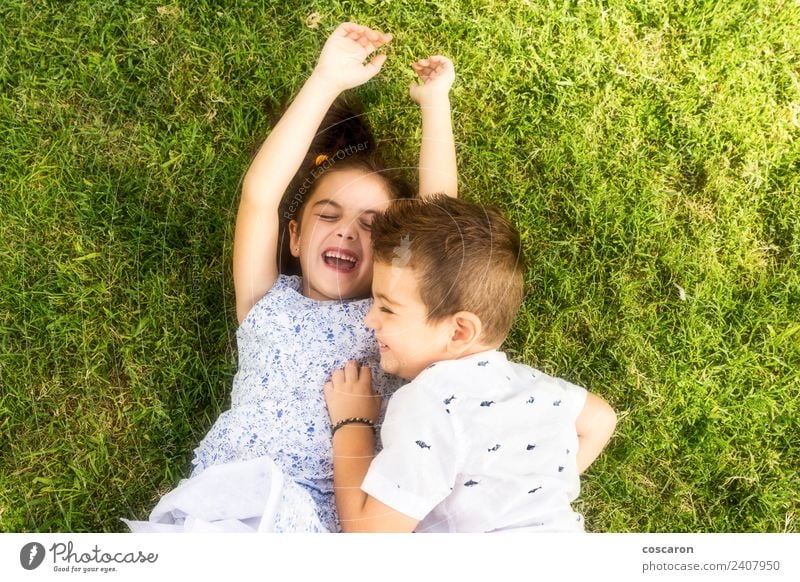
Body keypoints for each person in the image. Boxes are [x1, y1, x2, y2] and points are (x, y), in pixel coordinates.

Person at [124, 23, 458, 532]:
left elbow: (441, 228)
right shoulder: (264, 299)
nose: (346, 232)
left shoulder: (391, 323)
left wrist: (436, 106)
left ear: (394, 256)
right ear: (296, 238)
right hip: (237, 505)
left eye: (370, 226)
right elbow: (260, 193)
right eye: (328, 215)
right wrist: (325, 80)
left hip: (329, 523)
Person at [324, 195, 618, 532]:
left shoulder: (429, 402)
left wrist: (352, 423)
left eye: (387, 308)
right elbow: (600, 419)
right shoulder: (534, 386)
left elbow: (369, 534)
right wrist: (536, 493)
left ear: (460, 330)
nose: (368, 319)